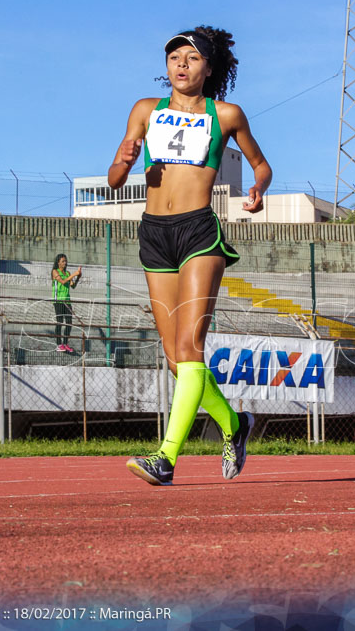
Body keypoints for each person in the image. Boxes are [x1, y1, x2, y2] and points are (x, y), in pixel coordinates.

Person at [108, 26, 272, 486]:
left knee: (190, 348)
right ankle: (234, 426)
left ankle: (166, 458)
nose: (181, 63)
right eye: (175, 57)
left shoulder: (227, 114)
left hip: (199, 232)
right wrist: (122, 159)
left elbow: (261, 164)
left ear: (209, 69)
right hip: (155, 233)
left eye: (192, 58)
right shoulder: (145, 110)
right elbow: (116, 179)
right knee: (176, 359)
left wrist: (258, 188)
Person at [51, 253, 81, 353]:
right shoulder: (55, 272)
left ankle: (65, 343)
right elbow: (63, 281)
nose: (65, 263)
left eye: (66, 261)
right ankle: (59, 344)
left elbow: (73, 286)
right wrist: (74, 274)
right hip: (58, 300)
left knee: (69, 322)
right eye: (63, 261)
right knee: (59, 322)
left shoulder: (67, 273)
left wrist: (78, 277)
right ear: (58, 262)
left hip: (67, 301)